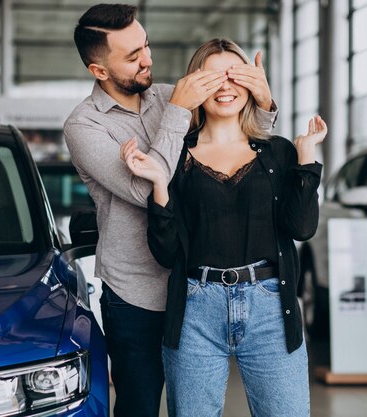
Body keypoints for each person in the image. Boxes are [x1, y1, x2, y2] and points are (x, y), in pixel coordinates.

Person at [64, 4, 278, 417]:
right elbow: (144, 189)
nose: (148, 59)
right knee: (139, 407)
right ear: (99, 71)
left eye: (145, 45)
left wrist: (265, 105)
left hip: (200, 288)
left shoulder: (168, 96)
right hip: (137, 296)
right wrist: (179, 113)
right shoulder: (85, 126)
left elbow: (239, 150)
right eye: (132, 56)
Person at [122, 38, 327, 417]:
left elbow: (302, 227)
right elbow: (166, 253)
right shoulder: (176, 155)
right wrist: (160, 186)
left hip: (270, 308)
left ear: (251, 84)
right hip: (196, 308)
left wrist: (307, 155)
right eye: (213, 77)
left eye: (236, 75)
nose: (226, 86)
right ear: (195, 85)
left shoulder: (277, 152)